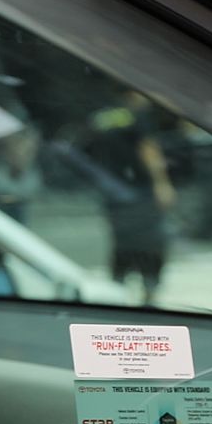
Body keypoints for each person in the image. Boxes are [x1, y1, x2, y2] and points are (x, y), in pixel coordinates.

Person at [86, 91, 175, 305]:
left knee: (122, 242)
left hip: (114, 191)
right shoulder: (138, 115)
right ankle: (149, 292)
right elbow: (148, 149)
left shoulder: (105, 115)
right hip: (140, 190)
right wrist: (162, 183)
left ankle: (118, 287)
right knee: (152, 242)